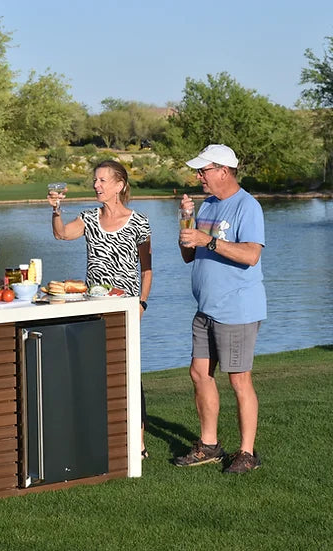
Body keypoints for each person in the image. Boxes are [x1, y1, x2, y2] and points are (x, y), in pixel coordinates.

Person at [47, 160, 153, 457]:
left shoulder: (139, 222)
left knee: (129, 373)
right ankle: (97, 434)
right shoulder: (89, 218)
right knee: (93, 371)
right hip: (93, 307)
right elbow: (62, 235)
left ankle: (139, 442)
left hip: (126, 309)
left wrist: (141, 304)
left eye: (103, 180)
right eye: (95, 180)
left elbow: (147, 270)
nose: (97, 185)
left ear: (120, 185)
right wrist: (56, 210)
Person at [173, 144, 266, 474]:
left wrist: (208, 240)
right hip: (206, 308)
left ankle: (247, 453)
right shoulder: (208, 205)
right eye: (199, 171)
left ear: (224, 171)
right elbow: (189, 255)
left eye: (204, 170)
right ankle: (209, 445)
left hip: (237, 308)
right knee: (199, 373)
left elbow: (251, 255)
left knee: (239, 380)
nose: (199, 176)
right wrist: (186, 221)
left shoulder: (247, 206)